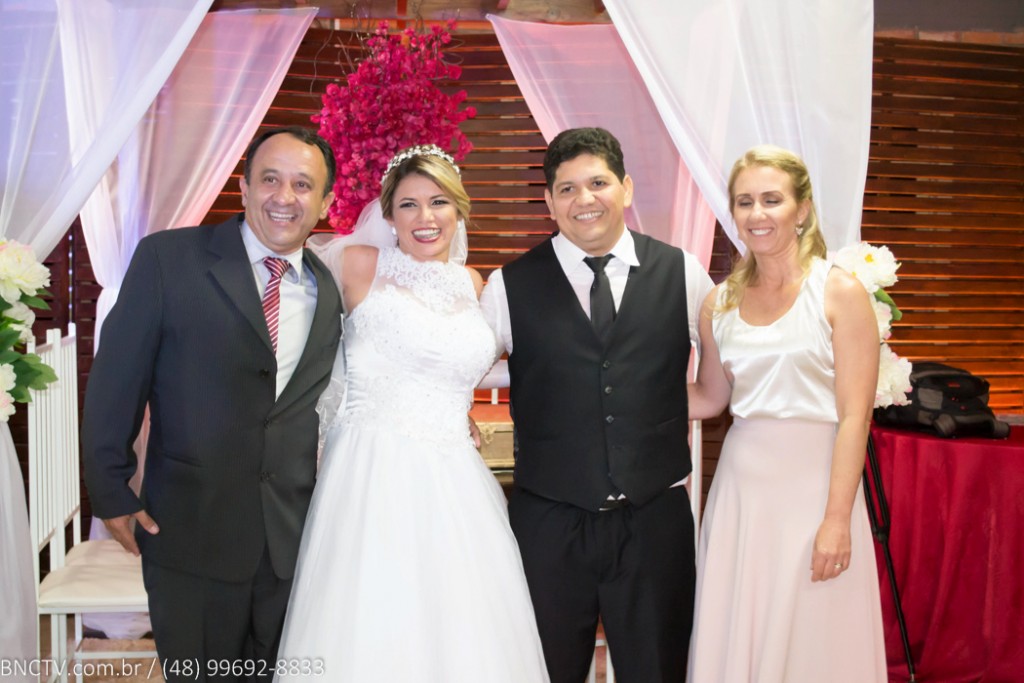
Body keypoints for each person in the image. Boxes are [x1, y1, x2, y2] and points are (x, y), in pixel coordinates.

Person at [273, 145, 549, 682]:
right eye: (409, 204)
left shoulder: (474, 284)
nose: (426, 217)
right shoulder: (356, 265)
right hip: (371, 468)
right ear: (388, 214)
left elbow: (463, 364)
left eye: (439, 202)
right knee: (374, 618)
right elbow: (298, 346)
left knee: (462, 626)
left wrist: (457, 404)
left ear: (459, 209)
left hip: (455, 478)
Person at [82, 126, 343, 682]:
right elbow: (116, 380)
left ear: (325, 203)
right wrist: (110, 489)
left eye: (303, 184)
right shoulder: (168, 259)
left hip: (289, 544)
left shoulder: (331, 290)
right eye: (269, 179)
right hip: (189, 535)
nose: (284, 196)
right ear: (243, 187)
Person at [480, 127, 714, 682]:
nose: (584, 199)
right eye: (567, 189)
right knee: (543, 671)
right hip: (549, 523)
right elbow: (457, 367)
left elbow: (727, 374)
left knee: (657, 671)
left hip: (654, 520)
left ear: (626, 188)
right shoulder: (507, 286)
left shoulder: (683, 273)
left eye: (598, 183)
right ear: (549, 202)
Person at [685, 145, 887, 682]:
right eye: (744, 201)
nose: (757, 213)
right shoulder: (719, 303)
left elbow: (854, 418)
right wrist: (611, 394)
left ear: (802, 209)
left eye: (771, 199)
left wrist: (837, 519)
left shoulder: (840, 292)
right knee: (743, 628)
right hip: (742, 495)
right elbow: (709, 397)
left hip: (816, 491)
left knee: (814, 636)